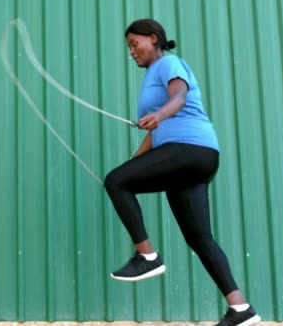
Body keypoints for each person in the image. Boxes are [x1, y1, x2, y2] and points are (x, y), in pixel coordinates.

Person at [104, 19, 260, 326]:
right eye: (129, 48)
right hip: (194, 158)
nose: (132, 52)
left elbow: (179, 98)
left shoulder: (168, 64)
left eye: (135, 44)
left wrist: (159, 114)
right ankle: (241, 309)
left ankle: (147, 257)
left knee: (115, 181)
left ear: (153, 39)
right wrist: (132, 165)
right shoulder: (152, 75)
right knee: (200, 238)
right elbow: (155, 134)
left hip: (188, 149)